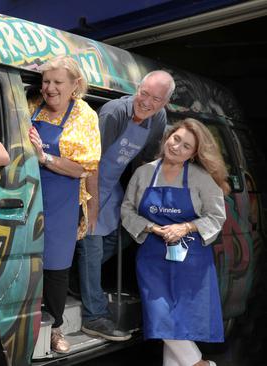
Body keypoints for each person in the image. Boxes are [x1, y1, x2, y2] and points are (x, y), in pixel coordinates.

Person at [76, 70, 175, 341]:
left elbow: (145, 160)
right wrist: (92, 206)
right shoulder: (113, 113)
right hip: (87, 182)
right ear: (137, 89)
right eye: (143, 93)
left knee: (131, 233)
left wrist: (147, 199)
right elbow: (90, 160)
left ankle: (81, 277)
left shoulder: (159, 118)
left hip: (114, 185)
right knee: (92, 243)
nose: (146, 102)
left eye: (155, 98)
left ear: (165, 102)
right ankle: (94, 315)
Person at [121, 118, 228, 366]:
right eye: (176, 139)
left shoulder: (201, 178)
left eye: (186, 146)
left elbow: (216, 215)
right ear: (168, 137)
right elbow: (127, 211)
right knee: (161, 317)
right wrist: (152, 227)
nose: (177, 147)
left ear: (193, 154)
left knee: (179, 322)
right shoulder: (144, 173)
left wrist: (185, 226)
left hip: (191, 260)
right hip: (152, 258)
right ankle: (201, 365)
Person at [28, 56, 101, 353]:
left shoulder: (83, 116)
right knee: (26, 264)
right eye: (46, 81)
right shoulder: (32, 106)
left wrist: (44, 157)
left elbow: (83, 168)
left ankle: (55, 328)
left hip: (61, 200)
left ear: (75, 85)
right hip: (27, 195)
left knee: (56, 268)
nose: (50, 88)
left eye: (58, 82)